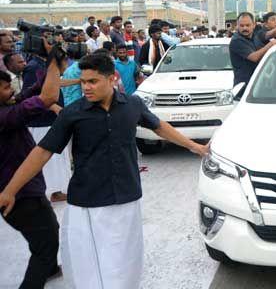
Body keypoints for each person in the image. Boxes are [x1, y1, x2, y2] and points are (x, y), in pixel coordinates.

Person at [0, 53, 209, 289]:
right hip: (89, 205)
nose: (86, 87)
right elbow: (42, 152)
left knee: (125, 261)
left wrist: (195, 146)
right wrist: (10, 190)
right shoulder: (73, 113)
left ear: (112, 79)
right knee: (91, 268)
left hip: (127, 198)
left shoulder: (133, 104)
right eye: (83, 81)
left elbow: (159, 127)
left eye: (93, 81)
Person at [0, 45, 64, 288]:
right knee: (45, 246)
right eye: (6, 88)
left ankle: (48, 269)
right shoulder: (4, 116)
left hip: (27, 191)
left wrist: (51, 63)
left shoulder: (7, 107)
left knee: (48, 232)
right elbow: (47, 98)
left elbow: (36, 91)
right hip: (18, 195)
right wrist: (53, 61)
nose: (11, 92)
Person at [23, 47, 70, 203]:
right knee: (45, 158)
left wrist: (79, 81)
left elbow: (56, 83)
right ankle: (46, 193)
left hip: (52, 120)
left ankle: (55, 191)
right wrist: (55, 107)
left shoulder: (45, 65)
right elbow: (33, 94)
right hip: (41, 121)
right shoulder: (33, 67)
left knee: (56, 158)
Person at [229, 12, 276, 89]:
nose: (245, 28)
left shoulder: (255, 35)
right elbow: (254, 57)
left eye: (248, 25)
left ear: (254, 25)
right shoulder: (237, 40)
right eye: (241, 26)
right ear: (237, 26)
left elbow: (270, 34)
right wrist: (272, 43)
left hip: (259, 85)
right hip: (244, 87)